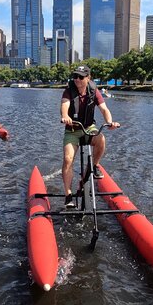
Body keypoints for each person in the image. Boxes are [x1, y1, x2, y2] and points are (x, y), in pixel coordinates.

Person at [60, 65, 120, 208]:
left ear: (88, 78)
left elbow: (104, 109)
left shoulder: (94, 91)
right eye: (75, 76)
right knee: (68, 159)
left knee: (101, 139)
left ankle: (93, 167)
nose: (77, 80)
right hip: (73, 130)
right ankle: (68, 195)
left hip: (88, 127)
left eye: (81, 77)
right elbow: (64, 105)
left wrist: (109, 122)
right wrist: (65, 116)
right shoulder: (69, 91)